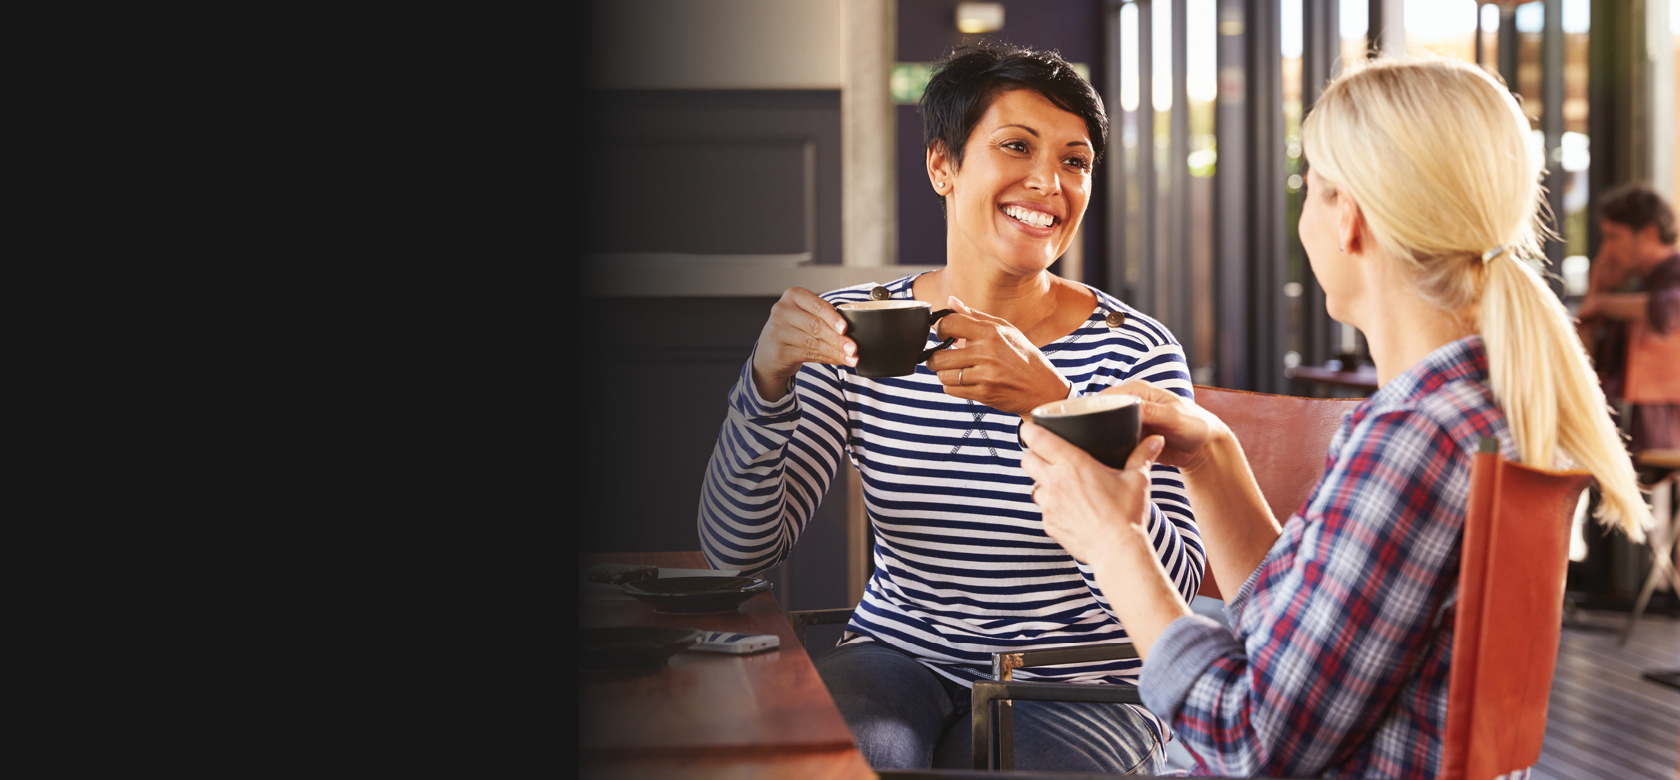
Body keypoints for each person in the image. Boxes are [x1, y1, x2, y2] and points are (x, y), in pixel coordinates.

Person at [1019, 55, 1649, 780]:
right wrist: (1212, 458)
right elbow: (1303, 644)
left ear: (1347, 218)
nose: (1305, 216)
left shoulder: (1414, 438)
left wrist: (1112, 543)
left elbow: (1248, 740)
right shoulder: (1482, 403)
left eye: (1311, 190)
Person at [697, 42, 1202, 774]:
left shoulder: (1135, 353)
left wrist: (1056, 406)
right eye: (1016, 147)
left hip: (1081, 685)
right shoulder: (860, 335)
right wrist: (766, 381)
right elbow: (736, 552)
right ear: (943, 166)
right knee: (829, 764)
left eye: (1075, 160)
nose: (1049, 183)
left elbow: (1174, 586)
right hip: (895, 656)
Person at [1576, 183, 1680, 452]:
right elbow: (1581, 360)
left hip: (1655, 433)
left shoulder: (1674, 273)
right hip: (1618, 428)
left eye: (1614, 237)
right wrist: (1596, 289)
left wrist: (1601, 302)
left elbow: (1668, 312)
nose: (1607, 249)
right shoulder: (1635, 287)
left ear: (1648, 234)